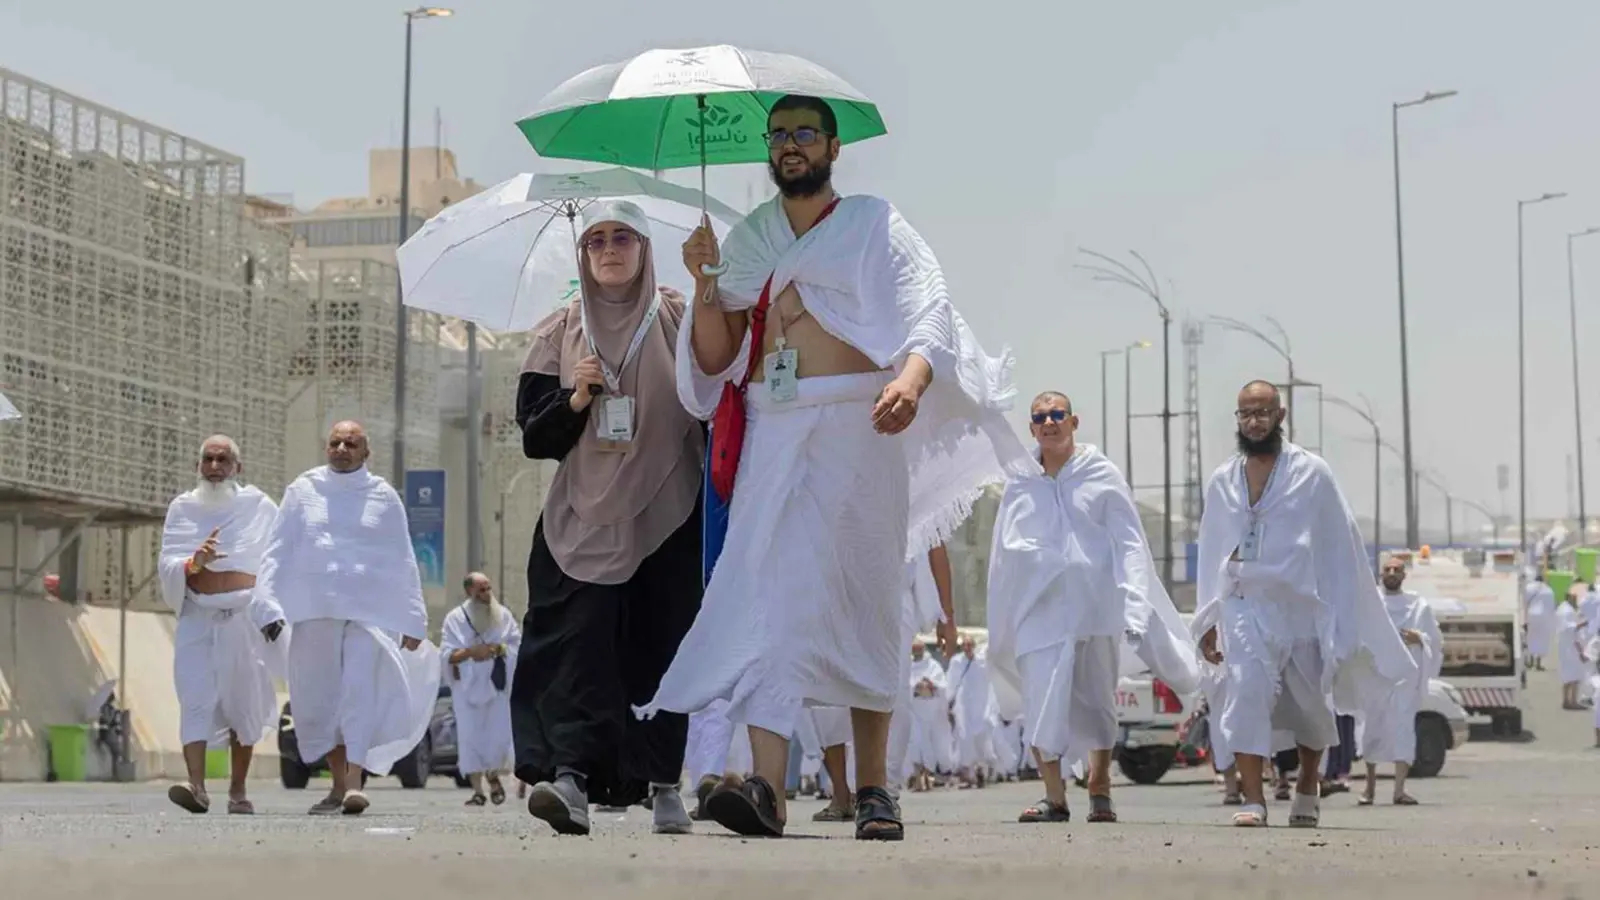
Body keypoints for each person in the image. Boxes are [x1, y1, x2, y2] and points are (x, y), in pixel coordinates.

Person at [637, 92, 1030, 841]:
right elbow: (716, 359)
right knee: (765, 603)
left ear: (833, 147)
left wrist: (911, 382)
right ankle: (766, 789)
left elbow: (929, 309)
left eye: (804, 134)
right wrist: (704, 281)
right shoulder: (748, 238)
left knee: (865, 599)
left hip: (861, 425)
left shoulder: (876, 227)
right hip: (774, 432)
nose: (790, 145)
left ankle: (876, 790)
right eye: (778, 135)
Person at [511, 200, 705, 837]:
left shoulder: (678, 316)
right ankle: (570, 780)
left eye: (623, 237)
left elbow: (715, 394)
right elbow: (536, 439)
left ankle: (664, 785)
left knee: (661, 649)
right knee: (580, 652)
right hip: (582, 522)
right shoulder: (558, 332)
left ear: (645, 249)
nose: (610, 249)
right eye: (596, 240)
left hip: (666, 517)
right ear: (583, 255)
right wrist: (577, 397)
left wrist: (709, 284)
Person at [1193, 380, 1414, 828]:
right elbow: (1210, 549)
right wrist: (1207, 620)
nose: (1253, 421)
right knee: (1246, 690)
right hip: (1243, 604)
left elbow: (1340, 547)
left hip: (1301, 607)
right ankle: (1253, 800)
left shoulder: (1312, 473)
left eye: (1262, 412)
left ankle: (1309, 782)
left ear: (1281, 414)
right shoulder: (1222, 480)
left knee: (1312, 707)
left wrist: (1343, 616)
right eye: (1245, 414)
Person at [986, 391, 1199, 825]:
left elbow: (1129, 542)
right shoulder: (1020, 480)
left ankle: (1100, 784)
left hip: (1093, 608)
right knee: (1040, 698)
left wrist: (1136, 599)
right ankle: (1054, 795)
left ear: (1073, 421)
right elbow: (1002, 553)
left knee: (1097, 702)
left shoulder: (1100, 473)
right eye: (1040, 417)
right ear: (1031, 428)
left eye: (1057, 415)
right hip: (1037, 610)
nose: (1050, 422)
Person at [254, 421, 439, 816]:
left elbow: (402, 559)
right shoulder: (302, 491)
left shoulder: (384, 497)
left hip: (367, 615)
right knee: (322, 703)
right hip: (314, 613)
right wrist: (266, 604)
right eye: (335, 442)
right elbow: (276, 550)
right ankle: (338, 786)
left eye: (350, 443)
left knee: (358, 695)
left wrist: (412, 618)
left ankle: (354, 783)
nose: (341, 448)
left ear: (365, 452)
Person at [155, 435, 286, 815]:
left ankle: (238, 790)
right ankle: (195, 786)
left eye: (222, 459)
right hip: (198, 617)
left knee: (240, 704)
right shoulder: (182, 508)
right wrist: (193, 563)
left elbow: (277, 562)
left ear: (237, 468)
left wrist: (271, 611)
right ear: (198, 465)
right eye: (207, 459)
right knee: (194, 698)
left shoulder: (259, 506)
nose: (214, 467)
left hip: (242, 620)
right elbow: (167, 562)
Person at [1357, 555, 1441, 806]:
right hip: (1376, 676)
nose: (1392, 573)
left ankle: (1399, 790)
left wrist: (1421, 638)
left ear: (1404, 575)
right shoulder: (1369, 602)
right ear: (1380, 574)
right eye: (1388, 569)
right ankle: (1369, 788)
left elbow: (1434, 639)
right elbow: (1357, 632)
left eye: (1397, 569)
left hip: (1405, 678)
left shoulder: (1418, 605)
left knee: (1403, 729)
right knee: (1371, 729)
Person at [441, 572, 520, 807]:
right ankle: (478, 791)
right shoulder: (455, 619)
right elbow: (447, 654)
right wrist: (470, 653)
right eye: (481, 591)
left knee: (497, 737)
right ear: (469, 592)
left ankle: (494, 777)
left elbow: (516, 643)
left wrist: (499, 649)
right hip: (467, 690)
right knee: (471, 738)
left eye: (488, 589)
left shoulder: (502, 616)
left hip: (496, 687)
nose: (487, 595)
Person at [1525, 572, 1556, 671]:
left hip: (1532, 615)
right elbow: (1552, 607)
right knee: (1542, 640)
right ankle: (1538, 663)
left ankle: (1530, 661)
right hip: (1544, 617)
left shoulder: (1529, 587)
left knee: (1531, 638)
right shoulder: (1549, 590)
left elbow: (1524, 601)